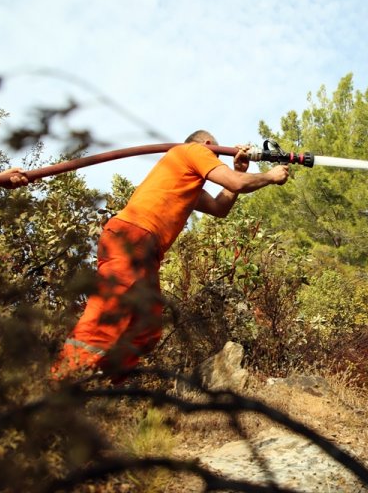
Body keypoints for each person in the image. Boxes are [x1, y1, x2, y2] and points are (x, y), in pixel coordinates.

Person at [51, 130, 289, 382]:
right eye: (217, 154)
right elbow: (235, 183)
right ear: (208, 145)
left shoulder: (185, 179)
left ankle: (97, 385)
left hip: (146, 248)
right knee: (108, 312)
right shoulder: (193, 151)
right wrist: (270, 176)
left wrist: (240, 171)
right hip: (132, 237)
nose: (217, 159)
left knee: (146, 329)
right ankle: (61, 382)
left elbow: (220, 207)